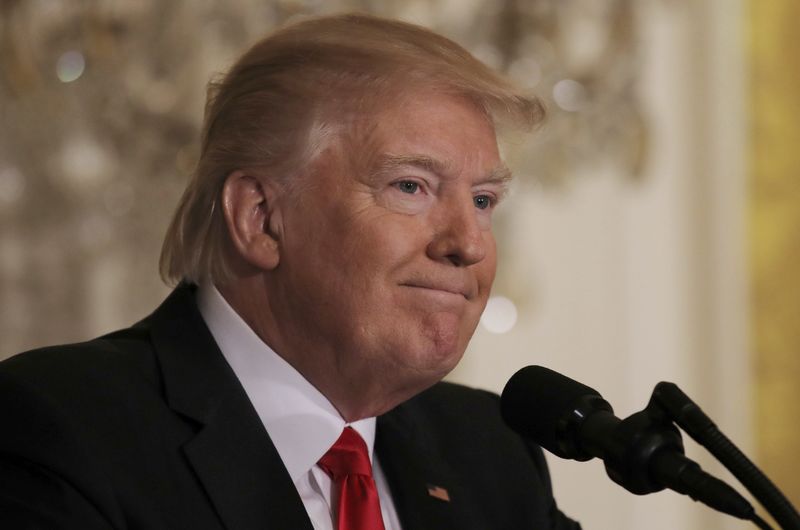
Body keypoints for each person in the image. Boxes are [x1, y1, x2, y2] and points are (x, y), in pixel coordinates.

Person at [0, 13, 580, 530]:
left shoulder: (491, 452)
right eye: (411, 187)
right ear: (260, 219)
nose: (469, 245)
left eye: (483, 200)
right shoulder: (57, 430)